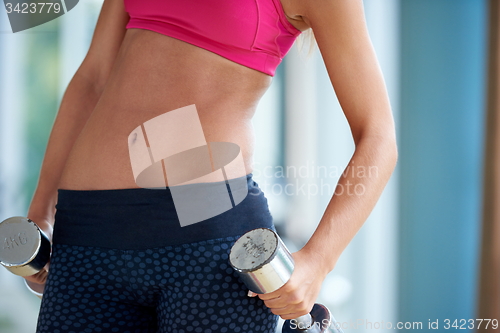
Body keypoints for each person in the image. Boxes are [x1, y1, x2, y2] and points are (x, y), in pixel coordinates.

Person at [25, 0, 398, 332]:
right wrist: (41, 210)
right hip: (88, 230)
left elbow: (378, 138)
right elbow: (93, 79)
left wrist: (318, 262)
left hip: (209, 245)